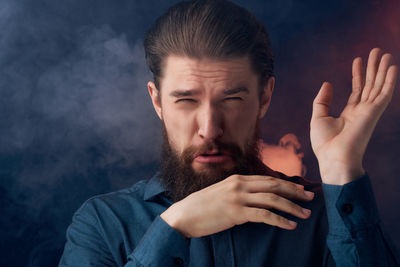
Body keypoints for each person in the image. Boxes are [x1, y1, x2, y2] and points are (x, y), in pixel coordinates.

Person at [59, 0, 400, 266]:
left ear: (264, 97)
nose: (210, 129)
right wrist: (172, 228)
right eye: (186, 100)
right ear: (157, 101)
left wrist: (343, 170)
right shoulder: (102, 224)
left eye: (232, 99)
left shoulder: (322, 216)